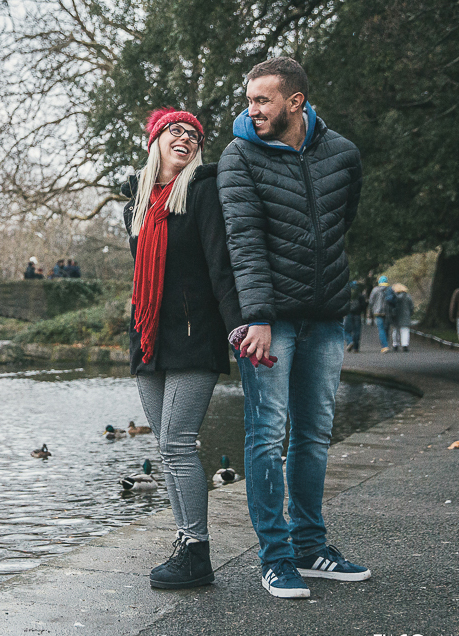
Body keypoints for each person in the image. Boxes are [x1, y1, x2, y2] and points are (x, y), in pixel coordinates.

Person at [217, 57, 370, 599]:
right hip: (270, 323)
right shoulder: (239, 157)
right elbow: (244, 241)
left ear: (295, 102)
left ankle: (310, 547)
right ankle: (275, 557)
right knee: (265, 435)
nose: (251, 109)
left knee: (313, 434)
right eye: (249, 99)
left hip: (327, 317)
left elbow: (339, 221)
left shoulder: (343, 154)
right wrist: (256, 316)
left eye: (262, 100)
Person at [123, 107, 243, 590]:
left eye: (194, 135)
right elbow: (141, 277)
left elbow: (222, 267)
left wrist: (240, 328)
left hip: (194, 336)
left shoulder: (203, 193)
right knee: (164, 446)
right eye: (176, 130)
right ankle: (185, 543)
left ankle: (196, 551)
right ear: (155, 141)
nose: (187, 138)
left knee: (176, 443)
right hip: (148, 336)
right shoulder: (137, 202)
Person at [367, 276, 396, 353]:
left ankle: (384, 346)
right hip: (387, 312)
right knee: (386, 328)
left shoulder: (375, 290)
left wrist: (371, 310)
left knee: (381, 329)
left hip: (378, 312)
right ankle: (386, 344)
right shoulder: (390, 289)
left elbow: (371, 301)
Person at [343, 280, 367, 352]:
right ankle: (356, 347)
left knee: (346, 330)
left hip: (349, 313)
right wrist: (363, 312)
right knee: (357, 330)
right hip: (357, 314)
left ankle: (350, 341)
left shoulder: (347, 293)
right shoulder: (360, 295)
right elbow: (363, 305)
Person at [390, 283, 414, 351]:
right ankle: (405, 345)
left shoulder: (394, 297)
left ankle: (395, 344)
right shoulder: (407, 296)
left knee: (395, 330)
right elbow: (411, 306)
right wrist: (410, 312)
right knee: (405, 330)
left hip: (396, 315)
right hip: (405, 315)